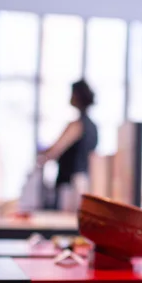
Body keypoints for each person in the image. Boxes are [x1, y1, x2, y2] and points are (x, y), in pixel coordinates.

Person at [38, 80, 98, 211]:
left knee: (66, 221)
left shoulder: (77, 125)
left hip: (70, 185)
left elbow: (55, 150)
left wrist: (41, 156)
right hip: (83, 181)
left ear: (77, 96)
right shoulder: (93, 126)